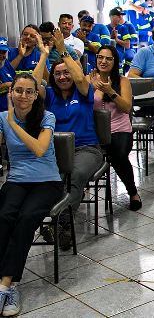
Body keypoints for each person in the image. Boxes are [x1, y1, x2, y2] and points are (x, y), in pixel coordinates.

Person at [32, 32, 104, 251]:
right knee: (52, 179)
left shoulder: (83, 92)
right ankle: (61, 227)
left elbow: (81, 78)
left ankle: (60, 224)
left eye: (66, 72)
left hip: (87, 149)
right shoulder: (51, 96)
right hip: (55, 151)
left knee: (76, 175)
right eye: (58, 74)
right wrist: (44, 55)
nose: (62, 77)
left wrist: (63, 52)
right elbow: (33, 85)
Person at [0, 73, 64, 317]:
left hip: (47, 181)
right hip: (16, 180)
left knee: (26, 218)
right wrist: (6, 122)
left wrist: (14, 124)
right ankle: (9, 284)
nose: (23, 96)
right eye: (18, 91)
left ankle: (6, 283)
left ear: (36, 95)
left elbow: (39, 149)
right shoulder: (1, 119)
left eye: (29, 91)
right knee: (4, 215)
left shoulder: (47, 117)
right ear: (11, 93)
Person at [88, 45, 141, 210]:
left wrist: (110, 90)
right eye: (100, 57)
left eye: (108, 58)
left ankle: (133, 192)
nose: (103, 61)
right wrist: (96, 89)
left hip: (119, 128)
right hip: (94, 129)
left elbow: (126, 108)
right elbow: (86, 106)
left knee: (118, 156)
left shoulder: (122, 81)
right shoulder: (88, 79)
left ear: (115, 61)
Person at [107, 8, 135, 73]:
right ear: (111, 17)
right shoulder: (105, 28)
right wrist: (111, 38)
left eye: (121, 16)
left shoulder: (123, 28)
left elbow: (127, 45)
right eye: (118, 16)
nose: (120, 18)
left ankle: (123, 72)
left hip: (120, 53)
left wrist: (116, 40)